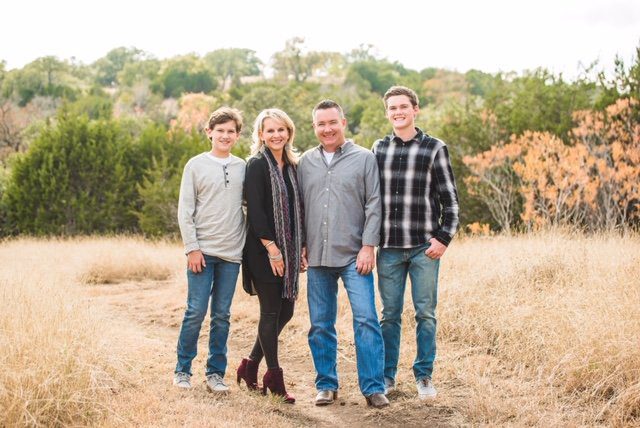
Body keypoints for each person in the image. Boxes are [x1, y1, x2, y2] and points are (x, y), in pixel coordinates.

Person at [297, 100, 389, 408]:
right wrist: (300, 246)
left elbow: (374, 204)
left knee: (366, 319)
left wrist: (368, 246)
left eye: (332, 122)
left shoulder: (364, 159)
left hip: (354, 256)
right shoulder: (305, 163)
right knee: (320, 323)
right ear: (314, 128)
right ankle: (326, 384)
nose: (327, 129)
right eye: (321, 124)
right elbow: (298, 208)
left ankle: (374, 388)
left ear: (343, 122)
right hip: (318, 258)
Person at [372, 86, 459, 401]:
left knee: (425, 313)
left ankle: (424, 376)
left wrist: (443, 238)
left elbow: (451, 201)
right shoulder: (378, 149)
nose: (398, 112)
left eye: (403, 107)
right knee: (389, 314)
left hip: (424, 247)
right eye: (392, 108)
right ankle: (386, 377)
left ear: (415, 109)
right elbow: (371, 199)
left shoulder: (434, 148)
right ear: (388, 113)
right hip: (390, 248)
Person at [173, 107, 246, 393]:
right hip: (202, 252)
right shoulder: (196, 165)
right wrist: (192, 248)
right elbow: (185, 210)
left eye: (231, 131)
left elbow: (250, 207)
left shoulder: (242, 166)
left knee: (222, 315)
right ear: (209, 132)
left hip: (231, 254)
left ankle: (215, 373)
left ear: (237, 135)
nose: (225, 135)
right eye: (220, 131)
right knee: (195, 311)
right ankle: (183, 369)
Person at [236, 109, 306, 404]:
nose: (276, 135)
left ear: (289, 132)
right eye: (270, 130)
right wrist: (273, 250)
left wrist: (300, 248)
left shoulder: (292, 166)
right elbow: (257, 212)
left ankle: (250, 365)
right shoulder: (255, 165)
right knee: (270, 312)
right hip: (263, 250)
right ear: (261, 135)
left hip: (289, 249)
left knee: (286, 311)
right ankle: (274, 378)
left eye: (281, 129)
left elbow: (297, 209)